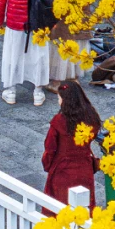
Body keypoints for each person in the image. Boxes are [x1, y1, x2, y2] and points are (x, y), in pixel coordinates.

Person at [41, 81, 101, 213]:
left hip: (62, 171)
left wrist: (48, 166)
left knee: (60, 210)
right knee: (84, 210)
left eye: (59, 97)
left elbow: (50, 148)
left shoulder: (58, 121)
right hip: (84, 169)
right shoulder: (91, 118)